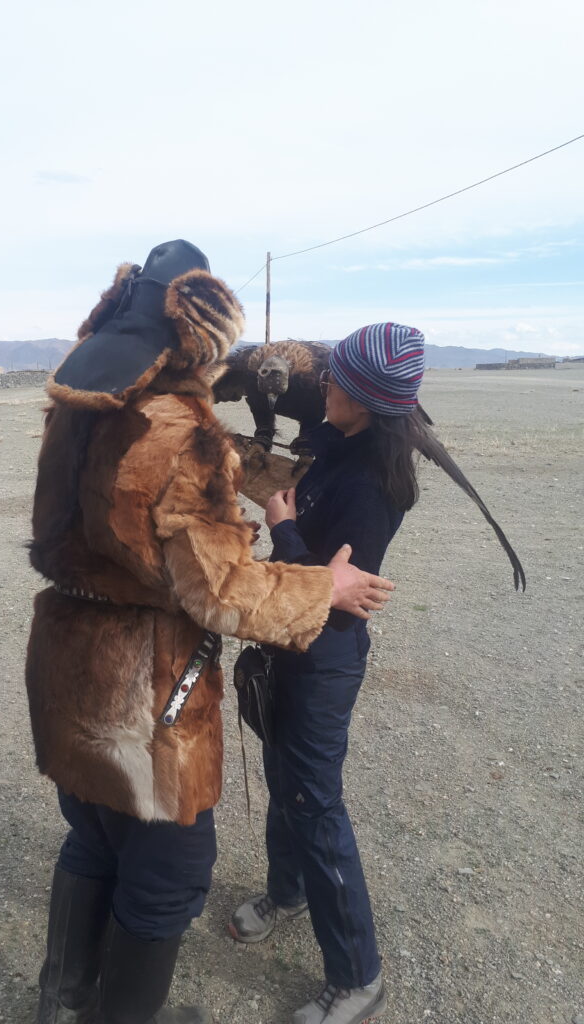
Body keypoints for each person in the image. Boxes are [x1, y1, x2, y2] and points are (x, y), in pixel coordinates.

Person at [24, 242, 396, 1024]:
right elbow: (222, 593)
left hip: (64, 663)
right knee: (169, 870)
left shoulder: (77, 410)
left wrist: (240, 470)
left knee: (93, 836)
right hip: (141, 687)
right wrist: (323, 586)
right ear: (197, 339)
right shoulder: (178, 436)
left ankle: (63, 1002)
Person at [228, 322, 426, 1024]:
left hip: (325, 655)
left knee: (315, 804)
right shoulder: (332, 440)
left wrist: (282, 524)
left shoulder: (374, 483)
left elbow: (337, 593)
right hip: (288, 638)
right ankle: (288, 892)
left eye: (336, 379)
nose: (323, 385)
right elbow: (313, 567)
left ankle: (358, 978)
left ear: (365, 401)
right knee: (283, 777)